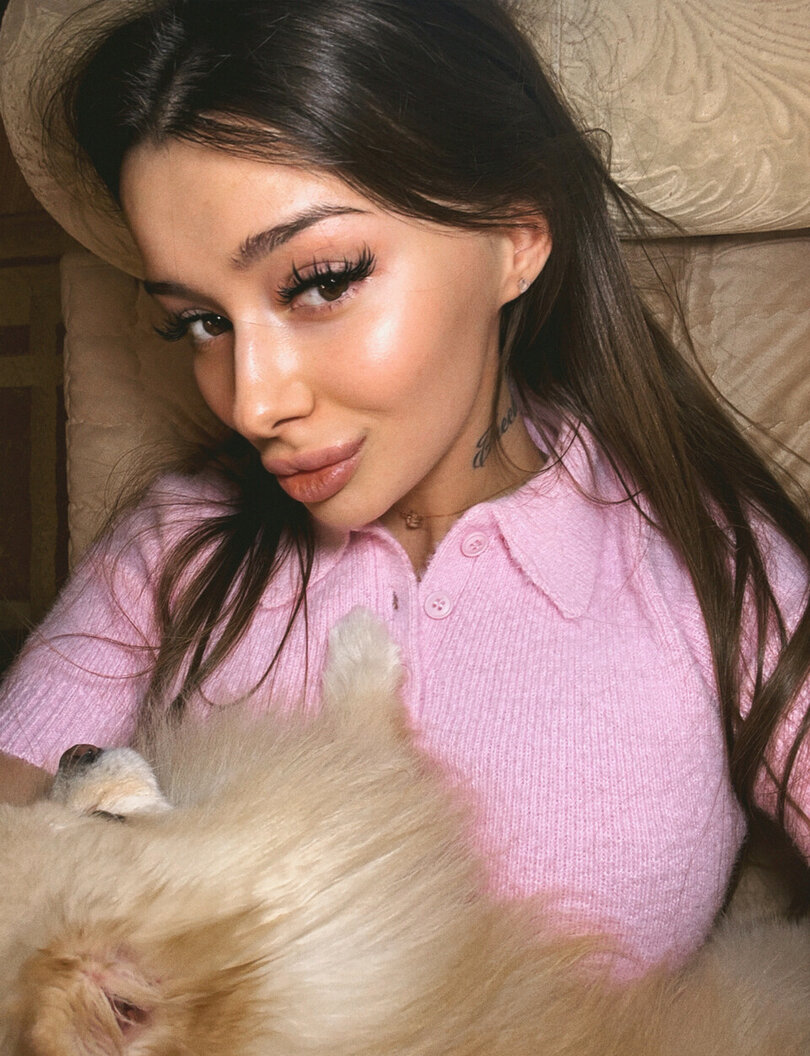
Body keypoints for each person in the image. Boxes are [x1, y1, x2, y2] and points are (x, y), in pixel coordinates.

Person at [1, 0, 809, 978]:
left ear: (516, 237)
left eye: (321, 281)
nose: (253, 402)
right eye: (200, 322)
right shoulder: (176, 547)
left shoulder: (706, 561)